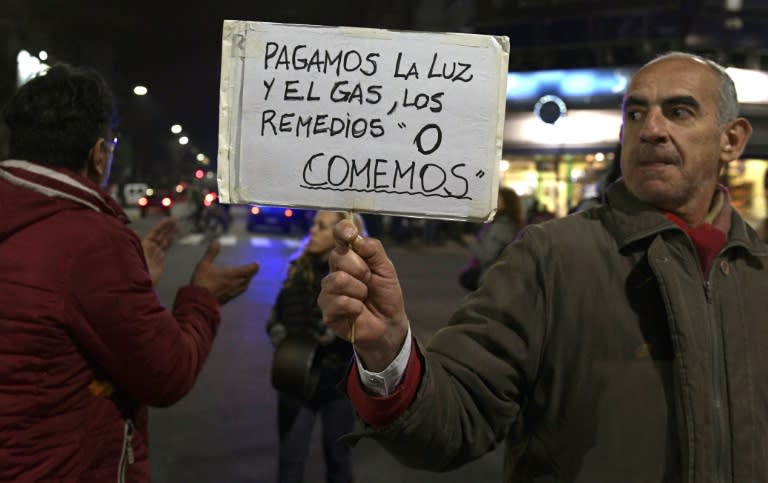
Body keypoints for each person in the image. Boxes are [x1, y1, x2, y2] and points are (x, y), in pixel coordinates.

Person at [318, 51, 767, 481]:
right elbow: (454, 419)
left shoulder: (759, 272)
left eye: (679, 112)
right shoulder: (549, 256)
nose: (650, 129)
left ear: (732, 139)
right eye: (635, 113)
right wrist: (389, 352)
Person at [0, 64, 260, 481]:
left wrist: (127, 288)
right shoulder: (91, 239)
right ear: (99, 153)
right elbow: (166, 373)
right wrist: (202, 299)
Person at [267, 211, 366, 483]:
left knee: (338, 463)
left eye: (321, 226)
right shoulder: (298, 268)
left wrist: (340, 332)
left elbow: (368, 334)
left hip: (338, 385)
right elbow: (276, 314)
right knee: (290, 462)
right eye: (314, 224)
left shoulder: (355, 279)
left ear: (342, 236)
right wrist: (280, 334)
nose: (313, 230)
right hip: (297, 378)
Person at [459, 186, 524, 291]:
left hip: (492, 279)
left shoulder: (502, 226)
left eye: (498, 199)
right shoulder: (507, 223)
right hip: (499, 278)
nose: (493, 203)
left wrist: (470, 241)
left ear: (506, 203)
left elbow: (486, 255)